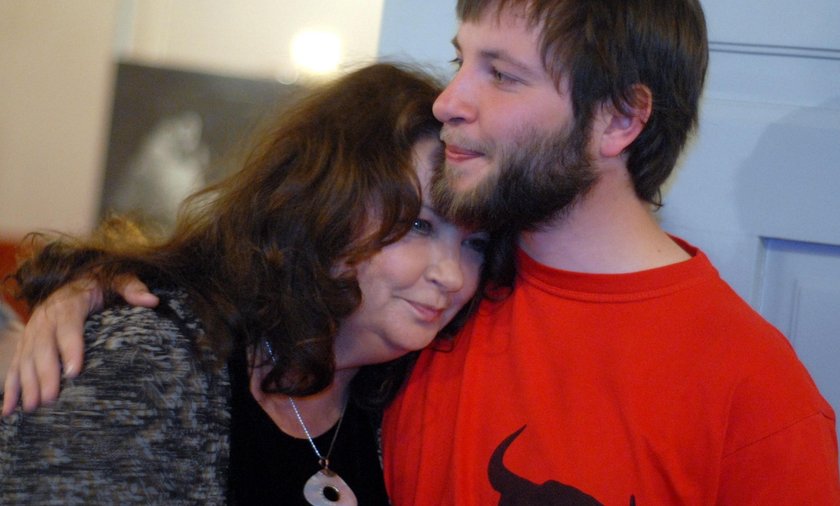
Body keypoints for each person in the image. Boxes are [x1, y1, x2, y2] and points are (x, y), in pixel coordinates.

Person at [5, 1, 840, 504]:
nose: (451, 100)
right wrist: (102, 286)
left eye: (502, 74)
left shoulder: (756, 397)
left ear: (619, 120)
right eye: (459, 60)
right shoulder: (423, 316)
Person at [0, 63, 499, 504]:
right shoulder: (146, 356)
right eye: (420, 225)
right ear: (327, 205)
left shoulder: (413, 396)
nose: (453, 275)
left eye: (476, 244)